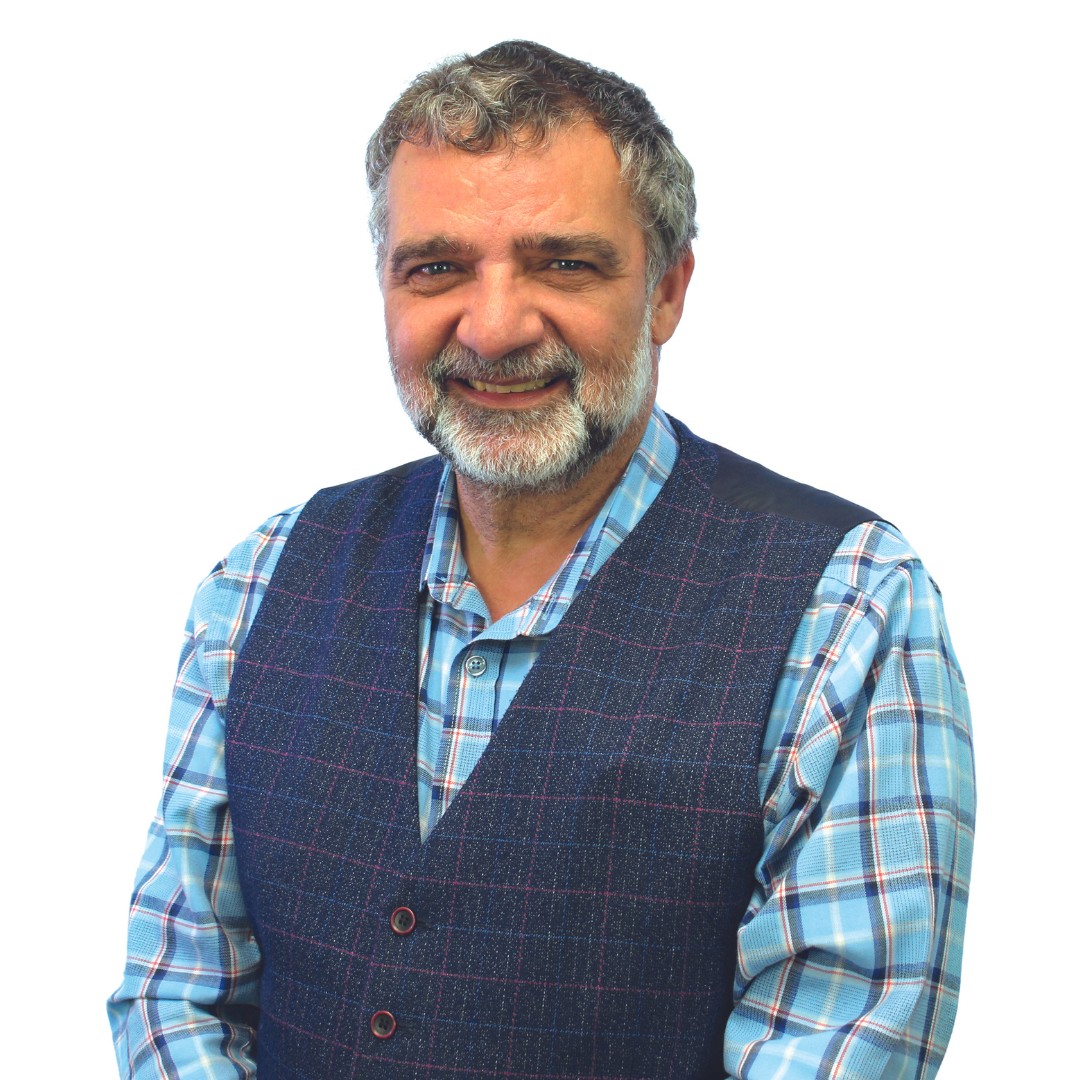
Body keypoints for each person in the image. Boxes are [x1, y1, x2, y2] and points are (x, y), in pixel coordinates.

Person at [108, 40, 975, 1079]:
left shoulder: (847, 609)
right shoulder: (256, 587)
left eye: (563, 263)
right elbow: (177, 998)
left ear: (667, 291)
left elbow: (839, 1047)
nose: (494, 326)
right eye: (437, 268)